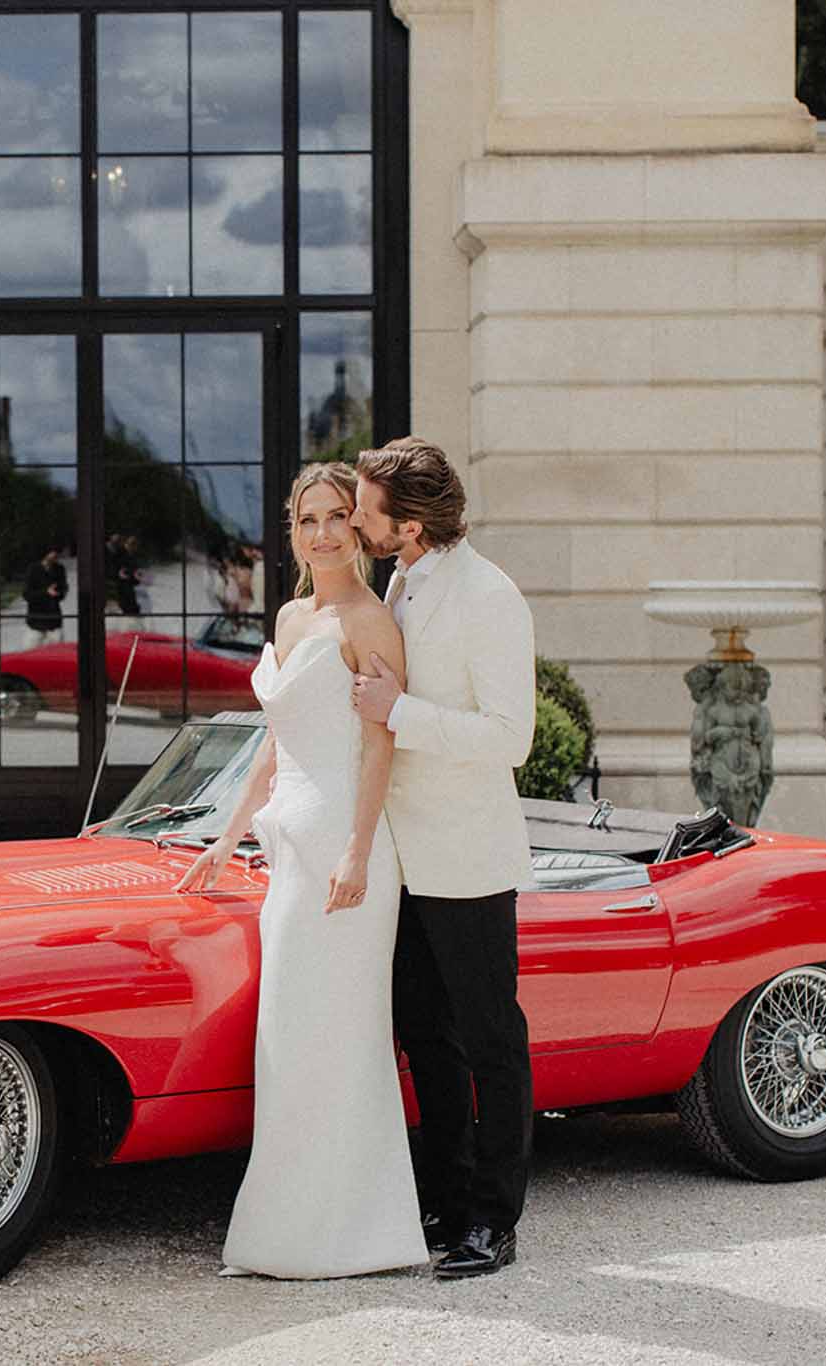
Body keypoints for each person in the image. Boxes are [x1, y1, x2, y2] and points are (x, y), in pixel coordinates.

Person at [174, 462, 427, 1280]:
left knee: (343, 1036)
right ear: (291, 529)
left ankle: (355, 1232)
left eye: (338, 517)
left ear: (360, 527)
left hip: (347, 850)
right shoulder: (286, 617)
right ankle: (287, 1227)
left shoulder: (373, 620)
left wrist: (358, 848)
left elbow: (382, 743)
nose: (322, 533)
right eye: (307, 518)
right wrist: (225, 835)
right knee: (289, 1034)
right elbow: (274, 746)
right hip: (289, 844)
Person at [348, 435, 537, 1281]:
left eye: (365, 509)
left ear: (412, 526)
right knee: (425, 1037)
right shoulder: (401, 578)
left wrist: (400, 711)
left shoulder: (491, 596)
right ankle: (447, 1200)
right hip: (403, 859)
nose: (355, 521)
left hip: (467, 855)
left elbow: (512, 738)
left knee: (492, 1041)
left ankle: (495, 1220)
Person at [23, 546, 68, 648]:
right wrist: (46, 592)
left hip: (54, 620)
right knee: (31, 652)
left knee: (57, 652)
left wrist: (58, 593)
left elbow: (63, 590)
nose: (56, 555)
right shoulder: (33, 569)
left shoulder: (59, 569)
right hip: (36, 620)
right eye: (53, 552)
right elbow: (27, 595)